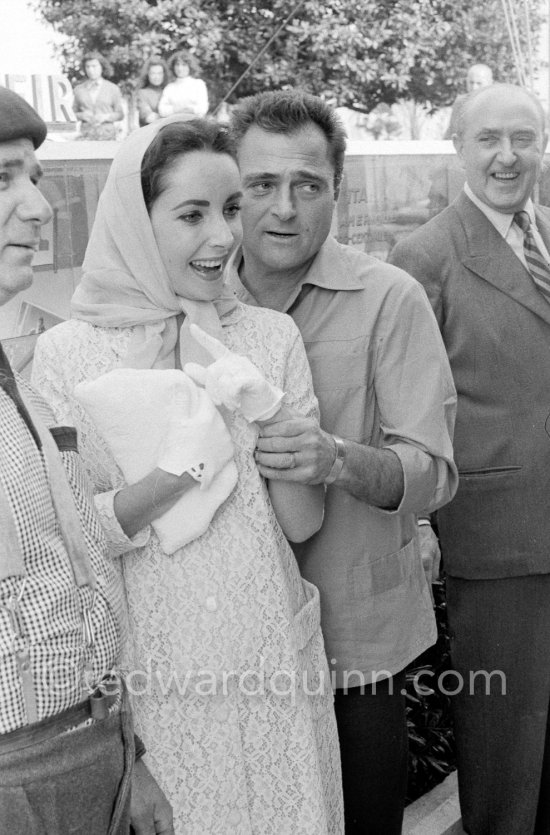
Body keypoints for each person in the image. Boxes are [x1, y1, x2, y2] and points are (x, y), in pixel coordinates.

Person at [32, 116, 344, 833]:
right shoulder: (65, 357)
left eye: (231, 209)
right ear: (137, 221)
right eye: (192, 214)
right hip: (159, 679)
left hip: (271, 659)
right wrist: (176, 472)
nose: (224, 236)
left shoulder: (269, 336)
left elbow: (300, 524)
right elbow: (79, 541)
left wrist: (291, 443)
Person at [228, 89, 458, 834]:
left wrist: (334, 458)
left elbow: (431, 467)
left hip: (355, 642)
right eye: (261, 185)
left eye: (307, 185)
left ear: (338, 189)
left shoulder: (388, 297)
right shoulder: (188, 301)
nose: (284, 208)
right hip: (225, 640)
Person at [0, 86, 173, 834]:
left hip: (89, 750)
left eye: (32, 177)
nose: (38, 208)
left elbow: (72, 567)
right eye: (2, 178)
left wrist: (125, 755)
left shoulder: (21, 381)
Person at [389, 83, 550, 835]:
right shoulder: (424, 256)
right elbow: (410, 406)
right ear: (458, 145)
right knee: (507, 735)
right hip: (497, 532)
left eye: (525, 137)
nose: (508, 156)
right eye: (489, 139)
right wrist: (419, 519)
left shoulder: (545, 232)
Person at [73, 51, 124, 140]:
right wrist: (82, 115)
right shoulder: (79, 89)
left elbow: (120, 114)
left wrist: (106, 117)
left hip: (107, 136)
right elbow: (71, 114)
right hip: (86, 137)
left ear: (102, 67)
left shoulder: (113, 88)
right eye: (87, 67)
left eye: (94, 66)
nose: (91, 70)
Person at [443, 63, 493, 140]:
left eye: (479, 83)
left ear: (490, 83)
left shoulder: (499, 104)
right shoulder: (460, 104)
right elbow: (451, 133)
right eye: (471, 82)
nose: (474, 87)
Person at [157, 51, 208, 118]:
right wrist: (176, 109)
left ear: (190, 66)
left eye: (184, 65)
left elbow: (203, 108)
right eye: (177, 64)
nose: (180, 68)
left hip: (195, 123)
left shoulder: (198, 84)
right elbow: (162, 110)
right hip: (174, 123)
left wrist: (189, 109)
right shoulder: (170, 87)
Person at [136, 56, 169, 127]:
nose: (156, 77)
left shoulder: (169, 90)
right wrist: (171, 116)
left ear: (164, 75)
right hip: (150, 134)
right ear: (147, 75)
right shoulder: (142, 93)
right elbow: (148, 117)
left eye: (159, 73)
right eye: (153, 73)